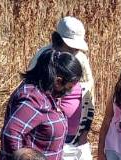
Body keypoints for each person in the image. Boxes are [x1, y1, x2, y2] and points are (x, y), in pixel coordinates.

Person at [28, 16, 95, 147]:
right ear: (58, 40)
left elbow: (89, 95)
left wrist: (84, 132)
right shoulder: (43, 57)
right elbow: (30, 91)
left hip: (71, 133)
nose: (74, 51)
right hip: (43, 131)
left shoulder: (81, 59)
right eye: (70, 47)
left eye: (76, 48)